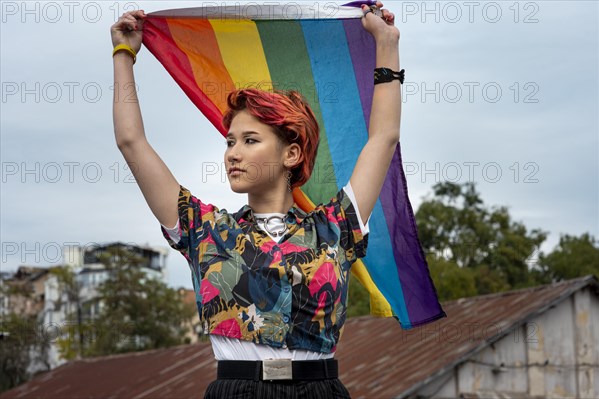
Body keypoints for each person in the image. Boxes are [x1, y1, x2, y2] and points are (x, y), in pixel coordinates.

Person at [111, 2, 401, 397]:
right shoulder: (203, 229)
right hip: (237, 389)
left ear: (291, 154)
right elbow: (132, 142)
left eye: (249, 141)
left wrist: (387, 44)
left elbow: (383, 137)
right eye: (230, 142)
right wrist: (123, 55)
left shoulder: (335, 227)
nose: (232, 152)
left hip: (320, 390)